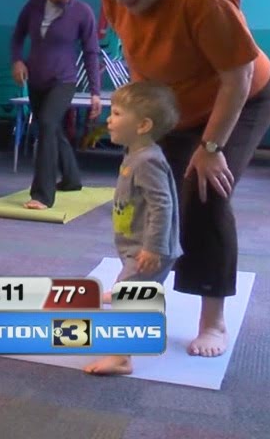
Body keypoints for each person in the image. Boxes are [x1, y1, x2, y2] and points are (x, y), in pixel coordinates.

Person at [85, 0, 270, 358]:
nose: (123, 4)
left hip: (238, 100)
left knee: (203, 192)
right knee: (147, 191)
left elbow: (238, 77)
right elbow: (139, 53)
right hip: (172, 105)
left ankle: (213, 321)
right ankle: (139, 286)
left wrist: (210, 149)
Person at [84, 80, 180, 376]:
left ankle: (120, 358)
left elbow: (161, 205)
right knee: (135, 289)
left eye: (116, 114)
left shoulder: (147, 160)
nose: (108, 120)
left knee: (129, 296)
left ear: (142, 125)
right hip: (135, 246)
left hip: (149, 248)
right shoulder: (136, 154)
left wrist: (153, 247)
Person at [10, 0, 103, 211]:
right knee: (51, 128)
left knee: (49, 124)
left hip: (64, 80)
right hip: (36, 78)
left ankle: (42, 194)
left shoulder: (82, 12)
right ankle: (72, 179)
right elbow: (17, 37)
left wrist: (95, 91)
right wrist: (17, 61)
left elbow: (91, 51)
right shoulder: (33, 5)